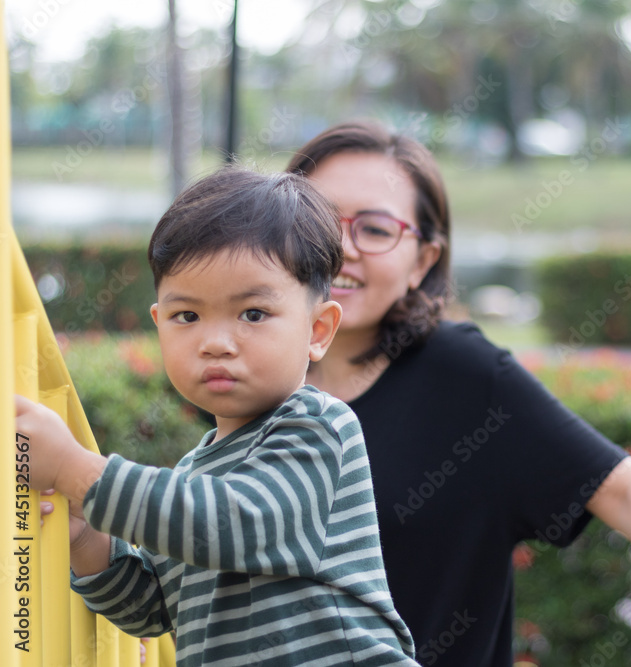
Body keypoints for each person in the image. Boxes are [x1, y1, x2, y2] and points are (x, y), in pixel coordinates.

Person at [287, 121, 631, 667]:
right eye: (317, 221)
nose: (341, 247)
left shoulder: (466, 378)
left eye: (374, 229)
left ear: (422, 261)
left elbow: (620, 489)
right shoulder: (257, 379)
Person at [15, 167, 420, 667]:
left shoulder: (319, 428)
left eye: (252, 314)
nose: (215, 343)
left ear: (317, 330)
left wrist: (75, 470)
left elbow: (234, 525)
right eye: (188, 316)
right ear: (160, 325)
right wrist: (87, 537)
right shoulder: (193, 473)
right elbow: (152, 610)